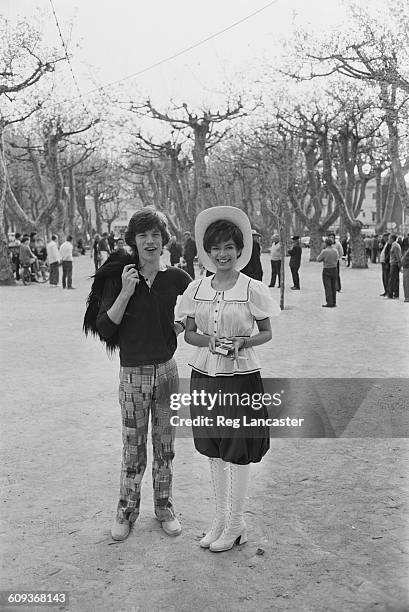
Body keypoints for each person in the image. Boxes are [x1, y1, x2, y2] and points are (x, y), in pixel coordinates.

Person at [83, 208, 192, 542]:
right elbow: (103, 328)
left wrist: (176, 329)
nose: (150, 241)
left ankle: (164, 508)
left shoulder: (177, 278)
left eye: (156, 234)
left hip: (168, 374)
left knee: (166, 448)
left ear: (164, 240)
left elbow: (197, 313)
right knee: (133, 449)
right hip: (132, 375)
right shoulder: (119, 277)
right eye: (143, 235)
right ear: (133, 240)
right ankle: (126, 512)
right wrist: (126, 292)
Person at [176, 206, 279, 552]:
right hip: (204, 374)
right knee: (213, 446)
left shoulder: (252, 288)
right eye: (216, 248)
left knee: (237, 447)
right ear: (207, 250)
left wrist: (242, 341)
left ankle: (236, 524)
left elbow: (266, 332)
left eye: (229, 248)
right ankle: (220, 520)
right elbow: (189, 335)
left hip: (241, 375)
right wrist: (209, 341)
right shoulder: (195, 288)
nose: (222, 254)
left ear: (240, 250)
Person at [317, 238, 339, 307]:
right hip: (334, 268)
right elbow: (337, 258)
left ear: (325, 244)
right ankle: (334, 302)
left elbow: (318, 259)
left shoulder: (324, 251)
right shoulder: (335, 251)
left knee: (327, 286)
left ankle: (329, 302)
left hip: (326, 269)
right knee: (333, 286)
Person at [386, 234, 401, 299]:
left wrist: (399, 264)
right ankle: (396, 295)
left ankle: (390, 295)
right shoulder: (394, 245)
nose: (388, 240)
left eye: (389, 239)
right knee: (395, 280)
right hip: (394, 264)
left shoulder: (394, 245)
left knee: (392, 279)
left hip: (394, 264)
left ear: (392, 239)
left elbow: (398, 256)